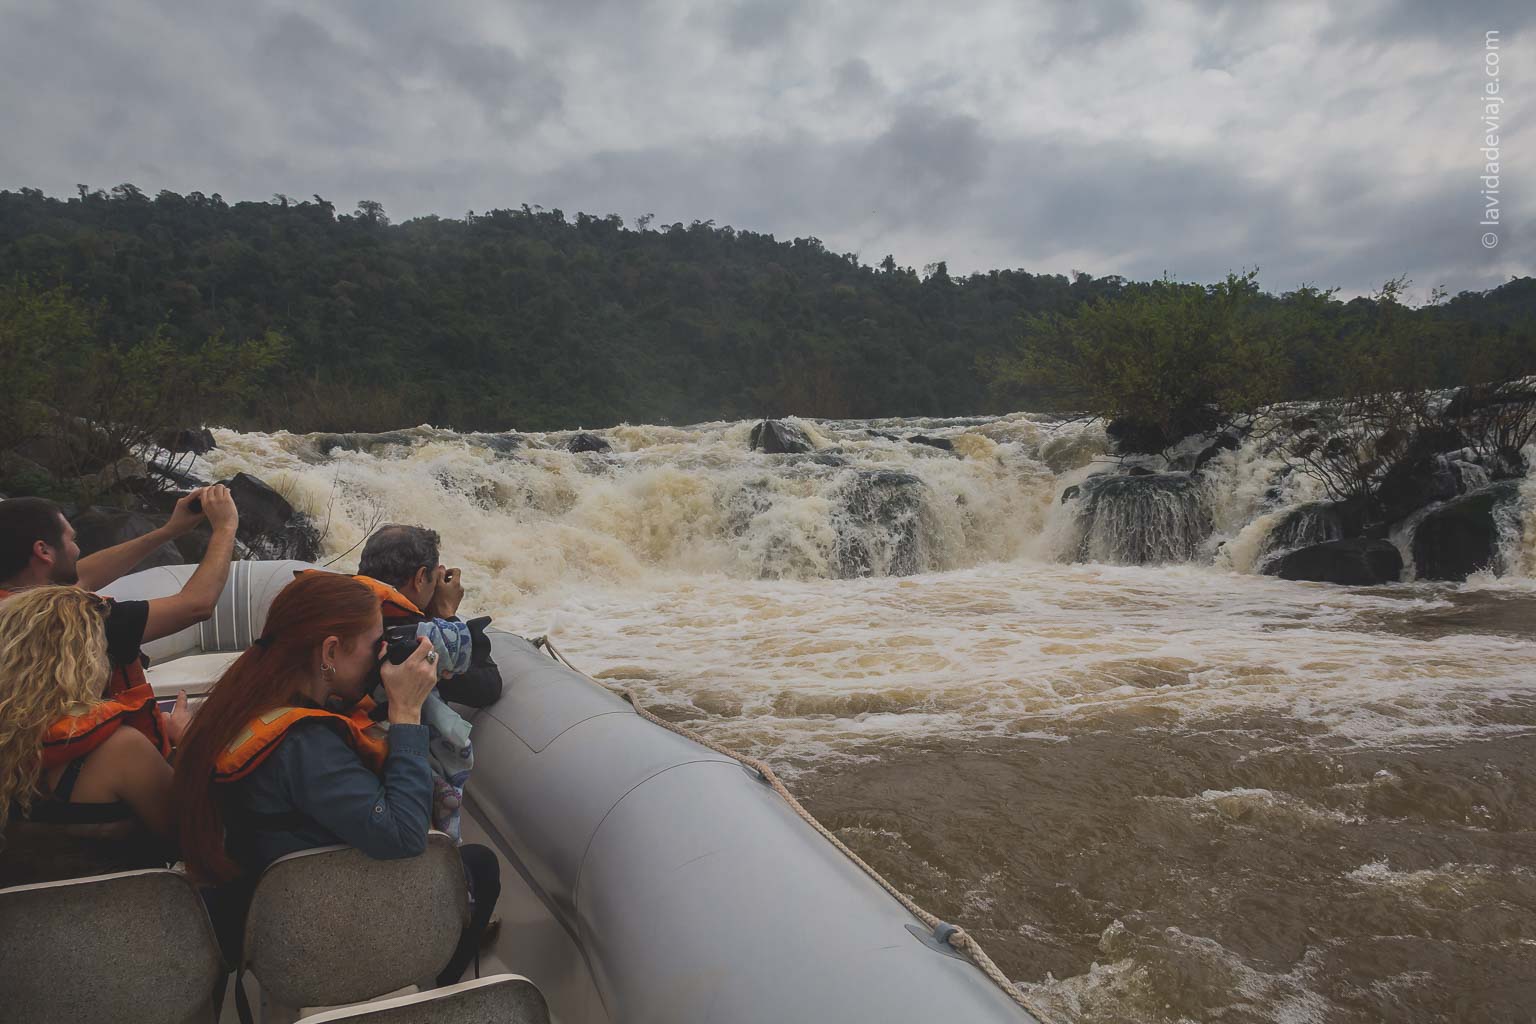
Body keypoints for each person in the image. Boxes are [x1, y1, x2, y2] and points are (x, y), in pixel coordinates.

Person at [172, 571, 500, 986]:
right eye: (373, 644)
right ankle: (438, 989)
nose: (380, 655)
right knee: (479, 865)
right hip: (311, 934)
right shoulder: (305, 743)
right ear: (330, 650)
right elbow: (404, 836)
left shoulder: (244, 701)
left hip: (263, 908)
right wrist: (406, 713)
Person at [0, 587, 187, 885]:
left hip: (18, 930)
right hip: (132, 924)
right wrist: (186, 745)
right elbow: (195, 840)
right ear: (86, 661)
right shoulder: (122, 751)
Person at [0, 487, 240, 696]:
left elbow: (82, 576)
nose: (77, 549)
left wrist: (170, 530)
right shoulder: (74, 620)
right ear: (43, 551)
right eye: (71, 539)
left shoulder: (13, 608)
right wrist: (225, 527)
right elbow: (196, 605)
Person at [355, 524, 502, 708]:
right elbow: (487, 687)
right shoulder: (414, 641)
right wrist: (447, 614)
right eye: (433, 577)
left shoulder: (345, 608)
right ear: (420, 577)